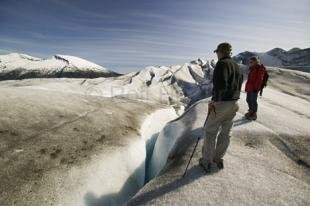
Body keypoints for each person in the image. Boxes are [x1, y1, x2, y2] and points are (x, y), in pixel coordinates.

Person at [199, 42, 243, 173]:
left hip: (222, 103)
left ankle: (207, 161)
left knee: (210, 130)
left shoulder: (222, 64)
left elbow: (220, 84)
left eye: (217, 52)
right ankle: (217, 159)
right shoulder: (237, 66)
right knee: (226, 132)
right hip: (234, 103)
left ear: (221, 52)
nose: (216, 54)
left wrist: (214, 101)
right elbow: (239, 83)